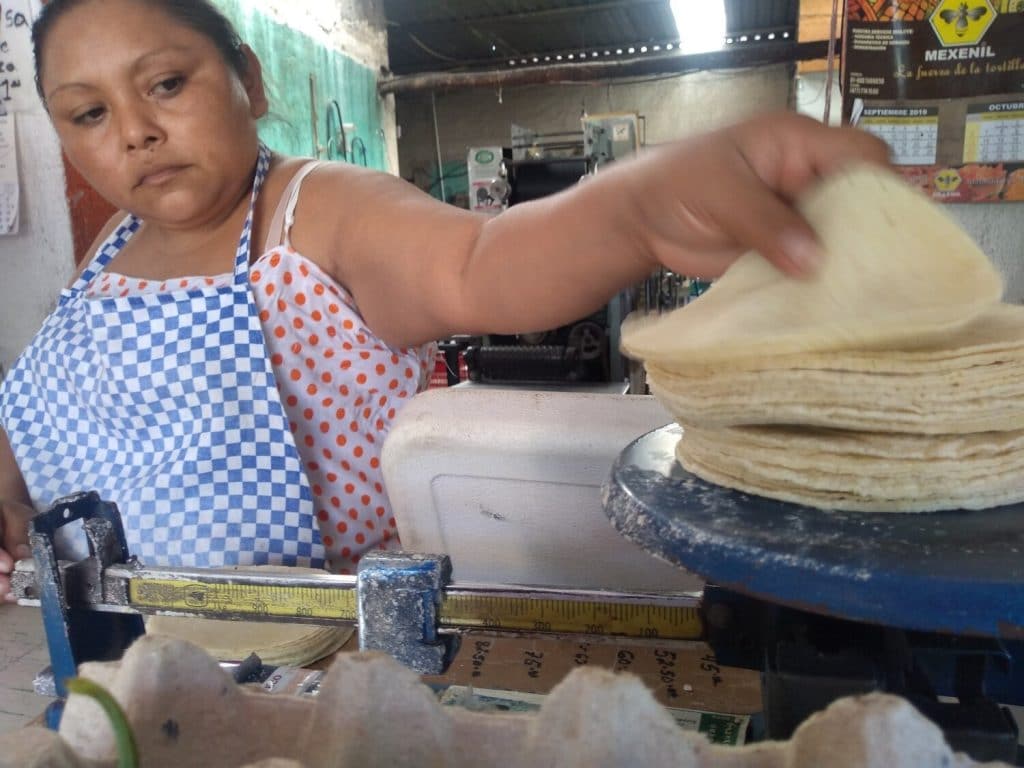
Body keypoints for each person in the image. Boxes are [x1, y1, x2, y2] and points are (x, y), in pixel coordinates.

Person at [0, 0, 889, 600]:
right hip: (124, 644)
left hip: (314, 662)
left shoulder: (318, 218)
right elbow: (49, 409)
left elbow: (481, 262)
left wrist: (636, 207)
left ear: (249, 80)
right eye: (88, 114)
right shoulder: (104, 261)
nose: (135, 132)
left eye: (165, 84)